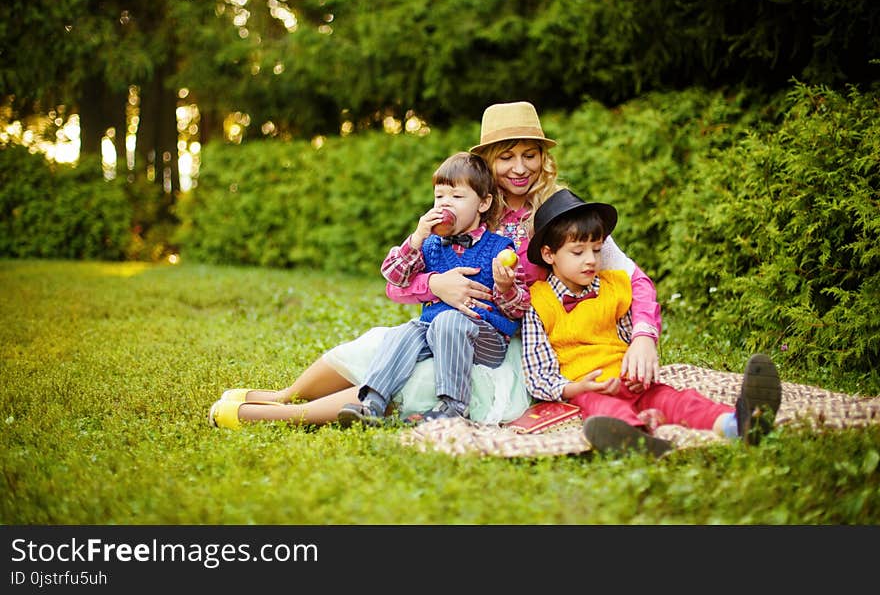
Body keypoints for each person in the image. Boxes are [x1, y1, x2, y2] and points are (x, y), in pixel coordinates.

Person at [208, 101, 660, 430]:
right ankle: (284, 395)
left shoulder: (562, 213)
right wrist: (437, 283)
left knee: (420, 378)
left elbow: (631, 279)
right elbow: (398, 285)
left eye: (530, 154)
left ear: (544, 158)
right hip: (446, 320)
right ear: (485, 163)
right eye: (506, 156)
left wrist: (643, 337)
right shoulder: (463, 207)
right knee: (380, 346)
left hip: (517, 344)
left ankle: (283, 415)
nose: (520, 168)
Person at [521, 187, 783, 456]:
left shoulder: (615, 287)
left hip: (631, 381)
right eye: (578, 252)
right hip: (590, 388)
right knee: (607, 411)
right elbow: (540, 375)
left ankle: (739, 424)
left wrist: (638, 373)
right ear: (549, 255)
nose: (591, 260)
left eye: (597, 250)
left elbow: (628, 339)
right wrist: (578, 387)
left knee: (679, 400)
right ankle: (637, 441)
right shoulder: (537, 303)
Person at [336, 151, 530, 427]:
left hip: (485, 338)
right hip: (434, 330)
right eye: (439, 197)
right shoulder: (429, 244)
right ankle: (372, 403)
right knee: (404, 331)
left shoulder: (500, 248)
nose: (445, 204)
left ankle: (453, 406)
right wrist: (416, 238)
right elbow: (394, 276)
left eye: (457, 197)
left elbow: (518, 308)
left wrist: (505, 286)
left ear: (484, 203)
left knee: (449, 321)